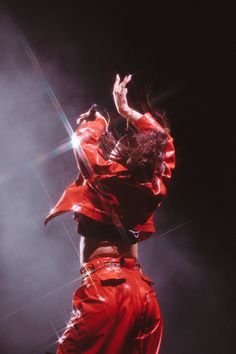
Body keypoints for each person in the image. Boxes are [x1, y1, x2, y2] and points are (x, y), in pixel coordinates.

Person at [45, 74, 175, 354]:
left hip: (110, 292)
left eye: (115, 148)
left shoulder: (109, 178)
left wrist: (97, 123)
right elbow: (164, 146)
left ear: (123, 160)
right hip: (143, 295)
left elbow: (85, 149)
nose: (111, 147)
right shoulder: (154, 186)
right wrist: (128, 113)